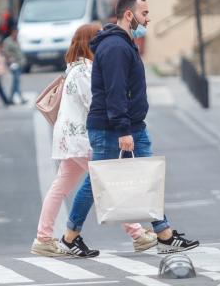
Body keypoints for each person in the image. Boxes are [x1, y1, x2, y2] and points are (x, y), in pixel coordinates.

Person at [58, 0, 200, 257]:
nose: (147, 19)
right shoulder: (115, 47)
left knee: (149, 179)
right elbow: (115, 91)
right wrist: (124, 130)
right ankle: (69, 237)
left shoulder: (122, 43)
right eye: (144, 13)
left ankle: (164, 234)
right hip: (114, 128)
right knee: (97, 183)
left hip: (130, 125)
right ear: (128, 14)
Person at [31, 23, 157, 257]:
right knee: (106, 181)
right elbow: (95, 102)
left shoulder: (73, 69)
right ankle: (138, 234)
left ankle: (44, 237)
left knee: (62, 187)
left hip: (70, 138)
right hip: (81, 138)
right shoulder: (84, 71)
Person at [2, 28, 27, 105]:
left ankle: (11, 98)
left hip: (19, 64)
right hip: (14, 64)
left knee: (16, 82)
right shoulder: (7, 41)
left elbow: (19, 51)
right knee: (16, 81)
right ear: (12, 32)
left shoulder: (17, 40)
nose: (16, 34)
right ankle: (20, 97)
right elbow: (5, 52)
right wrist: (10, 59)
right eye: (15, 32)